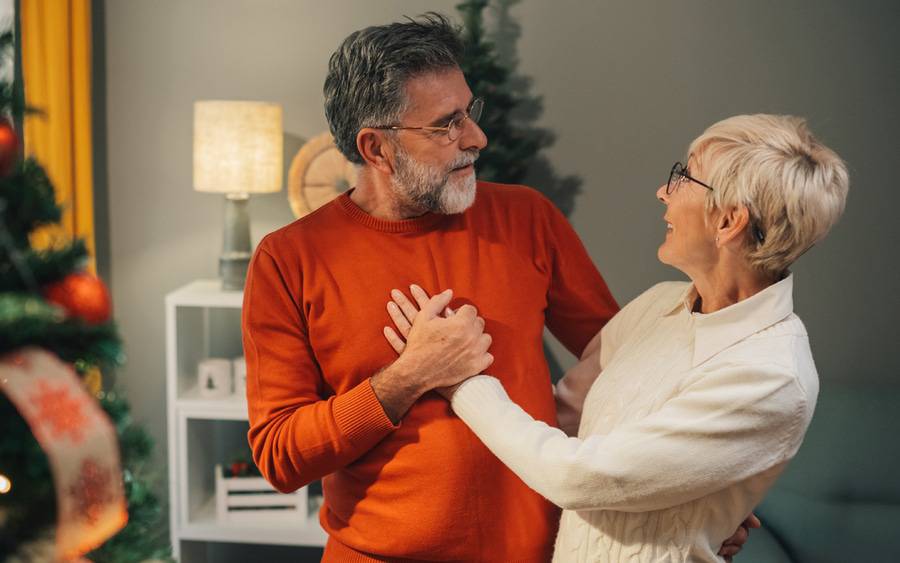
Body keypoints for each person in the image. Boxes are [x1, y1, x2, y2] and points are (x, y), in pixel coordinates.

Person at [243, 13, 752, 561]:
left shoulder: (526, 217)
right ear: (376, 149)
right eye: (446, 124)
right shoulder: (289, 259)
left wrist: (695, 491)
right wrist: (409, 377)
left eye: (470, 112)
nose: (476, 138)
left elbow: (629, 373)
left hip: (542, 553)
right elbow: (281, 457)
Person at [383, 114, 849, 562]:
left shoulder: (771, 375)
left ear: (729, 222)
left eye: (685, 177)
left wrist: (460, 377)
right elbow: (560, 418)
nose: (664, 192)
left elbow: (576, 475)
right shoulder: (660, 304)